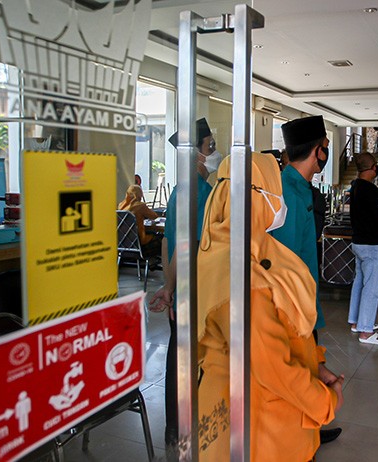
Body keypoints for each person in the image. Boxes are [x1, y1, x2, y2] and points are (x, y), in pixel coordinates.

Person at [183, 152, 343, 460]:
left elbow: (282, 327)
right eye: (275, 194)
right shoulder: (243, 275)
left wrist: (315, 362)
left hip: (234, 406)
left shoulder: (224, 248)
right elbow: (271, 367)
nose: (279, 205)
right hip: (259, 425)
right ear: (257, 198)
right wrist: (326, 402)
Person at [270, 115, 342, 444]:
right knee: (294, 370)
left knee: (307, 367)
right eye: (325, 148)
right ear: (316, 151)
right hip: (292, 307)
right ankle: (302, 436)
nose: (325, 155)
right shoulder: (286, 194)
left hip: (305, 301)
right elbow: (283, 266)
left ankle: (311, 424)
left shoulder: (301, 189)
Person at [150, 117, 220, 447]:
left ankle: (175, 427)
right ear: (195, 154)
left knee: (180, 356)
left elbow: (166, 242)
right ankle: (184, 427)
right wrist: (174, 288)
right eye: (210, 147)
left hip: (183, 286)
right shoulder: (199, 192)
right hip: (193, 288)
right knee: (189, 358)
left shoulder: (181, 188)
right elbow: (184, 245)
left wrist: (169, 284)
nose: (214, 152)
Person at [348, 153, 378, 345]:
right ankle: (366, 331)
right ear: (374, 167)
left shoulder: (356, 186)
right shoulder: (371, 189)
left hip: (359, 242)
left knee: (360, 282)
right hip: (371, 245)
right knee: (373, 287)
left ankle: (356, 321)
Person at [118, 184, 161, 255]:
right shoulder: (140, 206)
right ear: (139, 195)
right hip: (140, 244)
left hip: (123, 245)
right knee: (162, 238)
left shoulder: (121, 206)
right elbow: (154, 216)